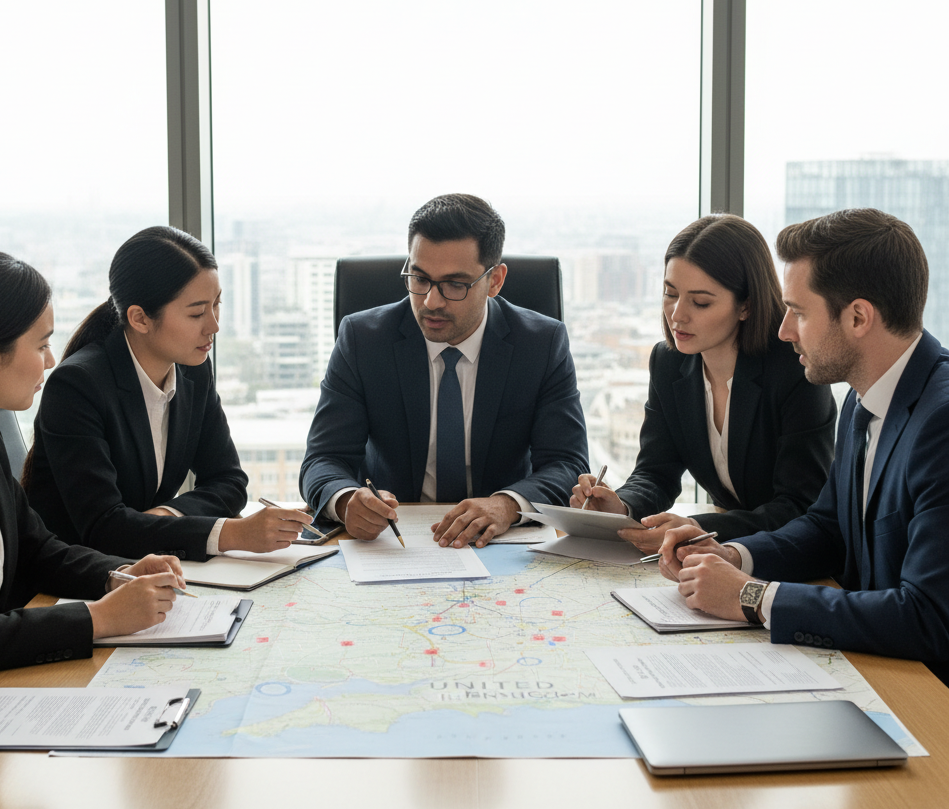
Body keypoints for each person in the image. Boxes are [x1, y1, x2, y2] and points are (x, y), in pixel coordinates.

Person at [657, 209, 949, 682]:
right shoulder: (864, 396)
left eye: (798, 312)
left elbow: (929, 617)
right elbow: (828, 528)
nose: (783, 330)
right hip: (873, 666)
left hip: (926, 693)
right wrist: (733, 556)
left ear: (857, 317)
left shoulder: (941, 423)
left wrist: (752, 597)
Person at [0, 250, 187, 697]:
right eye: (42, 345)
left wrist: (119, 574)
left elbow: (37, 549)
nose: (50, 361)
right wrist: (100, 618)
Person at [299, 194, 589, 548]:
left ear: (495, 281)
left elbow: (567, 462)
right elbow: (324, 458)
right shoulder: (363, 339)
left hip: (499, 541)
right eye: (419, 279)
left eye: (454, 285)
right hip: (394, 541)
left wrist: (507, 505)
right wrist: (345, 501)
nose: (431, 302)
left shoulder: (541, 344)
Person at [25, 226, 311, 561]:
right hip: (73, 584)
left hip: (147, 568)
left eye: (217, 305)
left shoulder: (192, 369)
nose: (214, 326)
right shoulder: (77, 387)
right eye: (196, 313)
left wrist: (164, 515)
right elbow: (104, 529)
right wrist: (229, 533)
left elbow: (228, 480)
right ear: (140, 318)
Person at [571, 214, 837, 549]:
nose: (677, 314)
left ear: (746, 306)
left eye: (700, 302)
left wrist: (697, 527)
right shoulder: (669, 362)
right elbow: (656, 471)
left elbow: (800, 506)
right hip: (723, 554)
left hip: (792, 556)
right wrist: (622, 505)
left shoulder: (794, 368)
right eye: (670, 293)